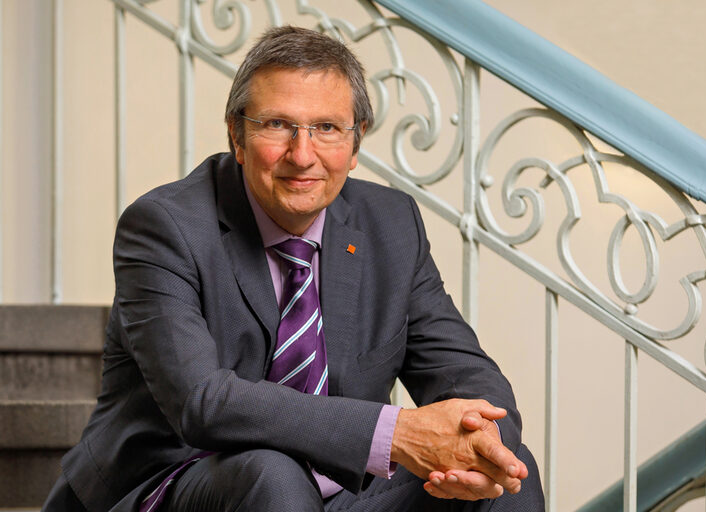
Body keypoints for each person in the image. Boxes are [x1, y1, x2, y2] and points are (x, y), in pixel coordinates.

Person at [43, 26, 544, 511]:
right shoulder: (164, 227)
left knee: (509, 474)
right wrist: (395, 432)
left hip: (338, 491)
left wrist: (485, 443)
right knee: (272, 475)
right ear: (237, 136)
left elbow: (464, 370)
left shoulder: (391, 225)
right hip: (176, 483)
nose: (302, 156)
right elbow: (202, 402)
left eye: (326, 128)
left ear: (355, 143)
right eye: (277, 125)